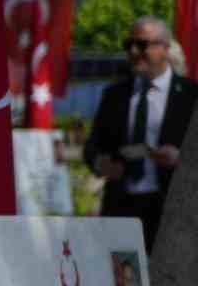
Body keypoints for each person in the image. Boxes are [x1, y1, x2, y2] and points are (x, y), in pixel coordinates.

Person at [84, 16, 198, 256]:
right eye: (129, 45)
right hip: (122, 208)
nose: (134, 52)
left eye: (142, 44)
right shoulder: (115, 95)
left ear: (164, 48)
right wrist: (101, 163)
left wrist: (181, 158)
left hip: (171, 210)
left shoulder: (190, 96)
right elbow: (92, 146)